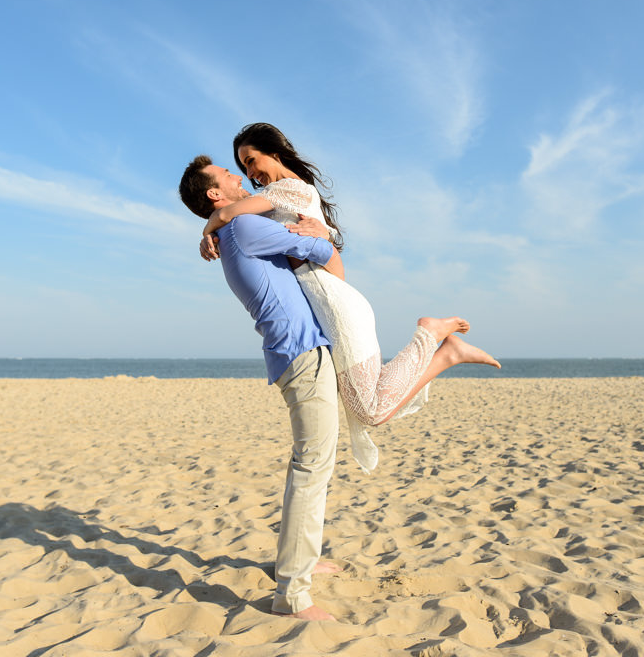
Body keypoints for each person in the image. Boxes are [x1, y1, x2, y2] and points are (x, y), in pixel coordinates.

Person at [199, 123, 501, 472]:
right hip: (329, 306)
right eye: (243, 167)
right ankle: (447, 351)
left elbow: (224, 213)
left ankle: (434, 337)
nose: (249, 173)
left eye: (251, 161)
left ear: (274, 153)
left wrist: (207, 231)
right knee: (367, 406)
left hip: (334, 306)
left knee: (370, 410)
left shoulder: (288, 188)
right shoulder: (278, 199)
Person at [179, 154, 344, 621]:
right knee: (311, 468)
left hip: (299, 351)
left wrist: (212, 224)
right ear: (216, 194)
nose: (239, 178)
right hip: (303, 353)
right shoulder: (244, 229)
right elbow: (321, 251)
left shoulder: (233, 228)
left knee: (313, 466)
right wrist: (319, 236)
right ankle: (292, 594)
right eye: (229, 176)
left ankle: (300, 564)